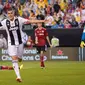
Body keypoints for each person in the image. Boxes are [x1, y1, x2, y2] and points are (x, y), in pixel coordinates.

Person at [0, 7, 45, 82]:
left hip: (20, 43)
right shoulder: (4, 22)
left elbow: (30, 21)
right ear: (7, 14)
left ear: (14, 13)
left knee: (19, 58)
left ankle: (20, 58)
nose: (10, 15)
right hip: (11, 43)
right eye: (8, 13)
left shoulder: (19, 20)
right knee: (14, 59)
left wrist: (42, 20)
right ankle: (18, 77)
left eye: (11, 13)